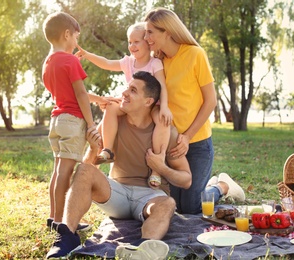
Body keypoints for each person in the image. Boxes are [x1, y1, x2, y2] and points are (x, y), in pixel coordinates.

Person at [46, 71, 192, 259]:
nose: (124, 93)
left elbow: (186, 180)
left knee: (168, 203)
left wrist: (161, 167)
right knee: (84, 169)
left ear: (148, 101)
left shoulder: (166, 132)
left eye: (133, 90)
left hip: (151, 196)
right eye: (126, 88)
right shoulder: (111, 124)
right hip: (117, 193)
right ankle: (67, 237)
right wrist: (92, 148)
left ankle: (141, 249)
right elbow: (89, 170)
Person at [143, 7, 245, 214]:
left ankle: (222, 186)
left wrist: (187, 137)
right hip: (171, 144)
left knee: (191, 207)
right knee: (176, 206)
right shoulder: (157, 62)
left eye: (150, 32)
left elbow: (210, 101)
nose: (146, 37)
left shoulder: (195, 54)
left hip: (196, 143)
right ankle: (211, 186)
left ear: (167, 32)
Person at [75, 22, 173, 189]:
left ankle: (157, 166)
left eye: (136, 41)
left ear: (148, 43)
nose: (132, 46)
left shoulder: (155, 63)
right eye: (129, 42)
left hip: (152, 105)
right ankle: (107, 150)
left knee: (162, 121)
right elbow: (106, 63)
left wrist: (164, 106)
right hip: (130, 104)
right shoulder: (128, 62)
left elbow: (162, 86)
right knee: (111, 108)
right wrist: (86, 54)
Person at [42, 11, 107, 232]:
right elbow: (79, 95)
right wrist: (90, 124)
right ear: (67, 34)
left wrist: (99, 99)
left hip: (57, 120)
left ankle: (54, 217)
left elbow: (67, 91)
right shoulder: (69, 60)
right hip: (72, 121)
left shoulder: (48, 62)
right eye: (76, 38)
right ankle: (62, 222)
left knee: (58, 170)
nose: (76, 42)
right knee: (66, 173)